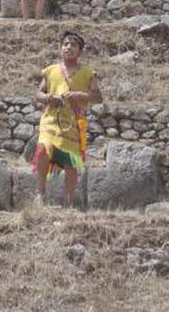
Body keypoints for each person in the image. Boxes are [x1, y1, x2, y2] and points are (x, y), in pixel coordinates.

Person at [32, 31, 103, 207]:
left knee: (71, 161)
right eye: (65, 44)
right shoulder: (50, 70)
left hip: (75, 123)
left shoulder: (88, 73)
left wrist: (81, 95)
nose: (69, 47)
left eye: (73, 45)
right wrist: (49, 99)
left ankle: (68, 202)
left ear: (80, 51)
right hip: (51, 119)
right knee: (43, 150)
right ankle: (40, 194)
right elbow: (38, 93)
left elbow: (98, 97)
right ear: (60, 48)